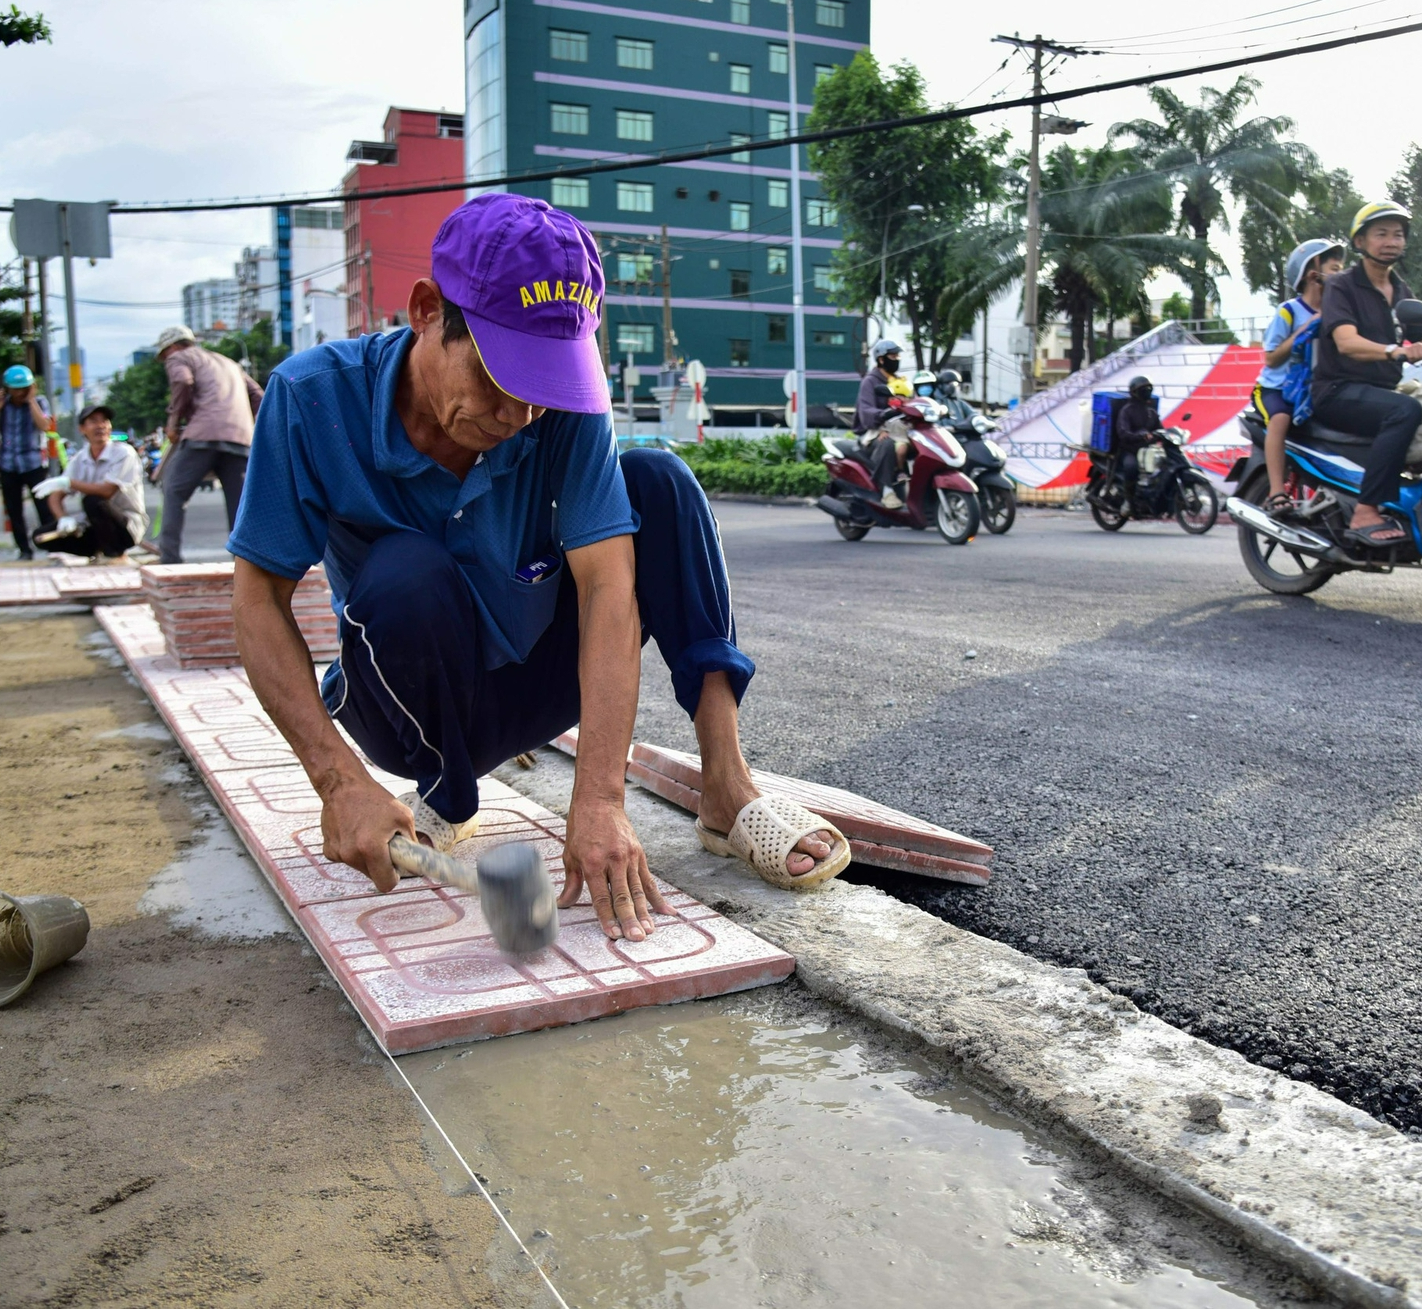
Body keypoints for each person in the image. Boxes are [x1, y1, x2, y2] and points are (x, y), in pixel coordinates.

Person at [226, 192, 848, 943]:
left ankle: (726, 783)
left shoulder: (562, 408)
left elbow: (609, 586)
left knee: (660, 482)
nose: (520, 412)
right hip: (404, 708)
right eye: (497, 377)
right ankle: (447, 793)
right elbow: (259, 597)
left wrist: (599, 797)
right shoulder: (312, 397)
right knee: (404, 571)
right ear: (427, 310)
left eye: (543, 386)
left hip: (535, 689)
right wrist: (337, 780)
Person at [1310, 200, 1422, 550]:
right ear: (1360, 242)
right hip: (1338, 390)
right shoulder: (1342, 285)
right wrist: (1394, 350)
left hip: (1380, 391)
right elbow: (1346, 342)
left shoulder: (1402, 290)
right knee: (1405, 410)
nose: (1391, 241)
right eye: (1381, 234)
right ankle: (1366, 511)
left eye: (1398, 234)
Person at [153, 324, 263, 564]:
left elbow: (182, 381)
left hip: (203, 435)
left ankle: (169, 559)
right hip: (241, 438)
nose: (165, 361)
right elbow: (259, 397)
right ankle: (245, 567)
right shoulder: (229, 363)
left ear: (171, 347)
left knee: (173, 490)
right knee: (239, 507)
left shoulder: (179, 357)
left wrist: (173, 421)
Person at [1255, 239, 1343, 516]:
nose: (1341, 274)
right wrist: (1305, 330)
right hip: (1275, 390)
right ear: (1312, 274)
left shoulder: (1337, 314)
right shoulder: (1289, 311)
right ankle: (1276, 491)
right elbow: (1270, 358)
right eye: (1335, 267)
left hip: (1313, 393)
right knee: (1279, 419)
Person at [32, 405, 146, 561]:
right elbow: (55, 497)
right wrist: (63, 519)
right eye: (93, 421)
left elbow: (107, 491)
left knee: (93, 501)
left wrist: (70, 482)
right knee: (39, 536)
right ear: (82, 429)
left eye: (104, 421)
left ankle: (116, 555)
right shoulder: (80, 459)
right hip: (94, 526)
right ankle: (97, 551)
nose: (101, 426)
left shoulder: (124, 453)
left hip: (126, 526)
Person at [0, 364, 56, 559]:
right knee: (14, 511)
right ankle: (24, 549)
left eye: (23, 388)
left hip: (33, 463)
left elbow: (44, 425)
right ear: (7, 388)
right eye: (15, 389)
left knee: (44, 508)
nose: (19, 393)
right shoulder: (1, 404)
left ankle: (51, 546)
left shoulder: (39, 402)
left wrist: (31, 400)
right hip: (8, 464)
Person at [855, 339, 907, 508]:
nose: (897, 359)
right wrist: (883, 415)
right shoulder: (870, 382)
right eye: (893, 356)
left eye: (898, 356)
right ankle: (887, 491)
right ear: (881, 359)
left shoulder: (898, 380)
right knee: (887, 445)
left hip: (898, 429)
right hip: (873, 432)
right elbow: (866, 412)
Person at [1110, 375, 1162, 498]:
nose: (1147, 392)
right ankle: (1129, 500)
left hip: (1147, 451)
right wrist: (1140, 436)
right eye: (1144, 390)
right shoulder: (1127, 411)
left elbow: (1160, 430)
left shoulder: (1151, 412)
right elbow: (1123, 433)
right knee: (1131, 467)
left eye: (1149, 389)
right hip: (1129, 450)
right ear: (1135, 392)